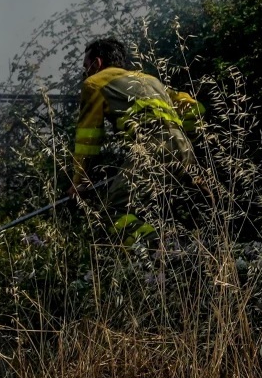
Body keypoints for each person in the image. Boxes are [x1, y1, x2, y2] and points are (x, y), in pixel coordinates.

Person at [72, 37, 200, 236]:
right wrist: (188, 142)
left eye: (85, 67)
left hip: (153, 148)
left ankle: (158, 248)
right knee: (174, 207)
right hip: (184, 148)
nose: (85, 73)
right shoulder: (150, 80)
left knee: (113, 212)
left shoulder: (94, 83)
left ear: (97, 63)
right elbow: (191, 105)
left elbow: (88, 139)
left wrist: (79, 181)